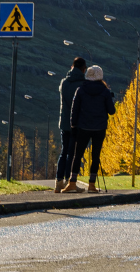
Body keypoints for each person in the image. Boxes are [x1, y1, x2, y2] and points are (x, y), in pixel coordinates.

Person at [67, 64, 116, 193]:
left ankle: (72, 182)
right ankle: (92, 185)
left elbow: (74, 110)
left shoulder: (81, 90)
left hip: (83, 127)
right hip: (99, 128)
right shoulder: (105, 91)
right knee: (96, 156)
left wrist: (73, 125)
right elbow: (112, 111)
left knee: (78, 155)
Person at [54, 58, 87, 193]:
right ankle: (70, 181)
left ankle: (58, 181)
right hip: (77, 123)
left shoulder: (64, 82)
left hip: (64, 122)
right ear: (83, 69)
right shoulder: (83, 84)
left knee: (64, 152)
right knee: (73, 154)